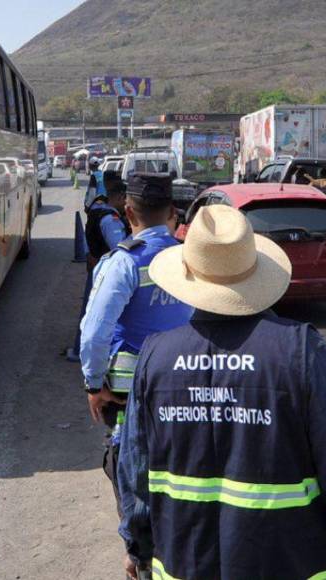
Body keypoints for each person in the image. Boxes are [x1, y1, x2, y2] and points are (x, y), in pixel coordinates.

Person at [116, 204, 326, 580]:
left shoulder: (155, 357)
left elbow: (135, 471)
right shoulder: (300, 352)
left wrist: (138, 548)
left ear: (188, 278)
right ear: (256, 274)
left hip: (183, 566)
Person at [80, 174, 194, 519]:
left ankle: (140, 555)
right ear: (173, 211)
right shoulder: (190, 258)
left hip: (130, 393)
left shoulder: (124, 262)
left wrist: (93, 383)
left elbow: (94, 332)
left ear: (128, 213)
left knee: (131, 473)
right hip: (186, 384)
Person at [68, 171, 130, 362]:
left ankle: (79, 349)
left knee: (89, 310)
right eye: (125, 200)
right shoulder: (109, 218)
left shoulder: (96, 207)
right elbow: (119, 249)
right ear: (119, 197)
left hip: (95, 268)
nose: (127, 205)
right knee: (98, 314)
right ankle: (85, 352)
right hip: (105, 272)